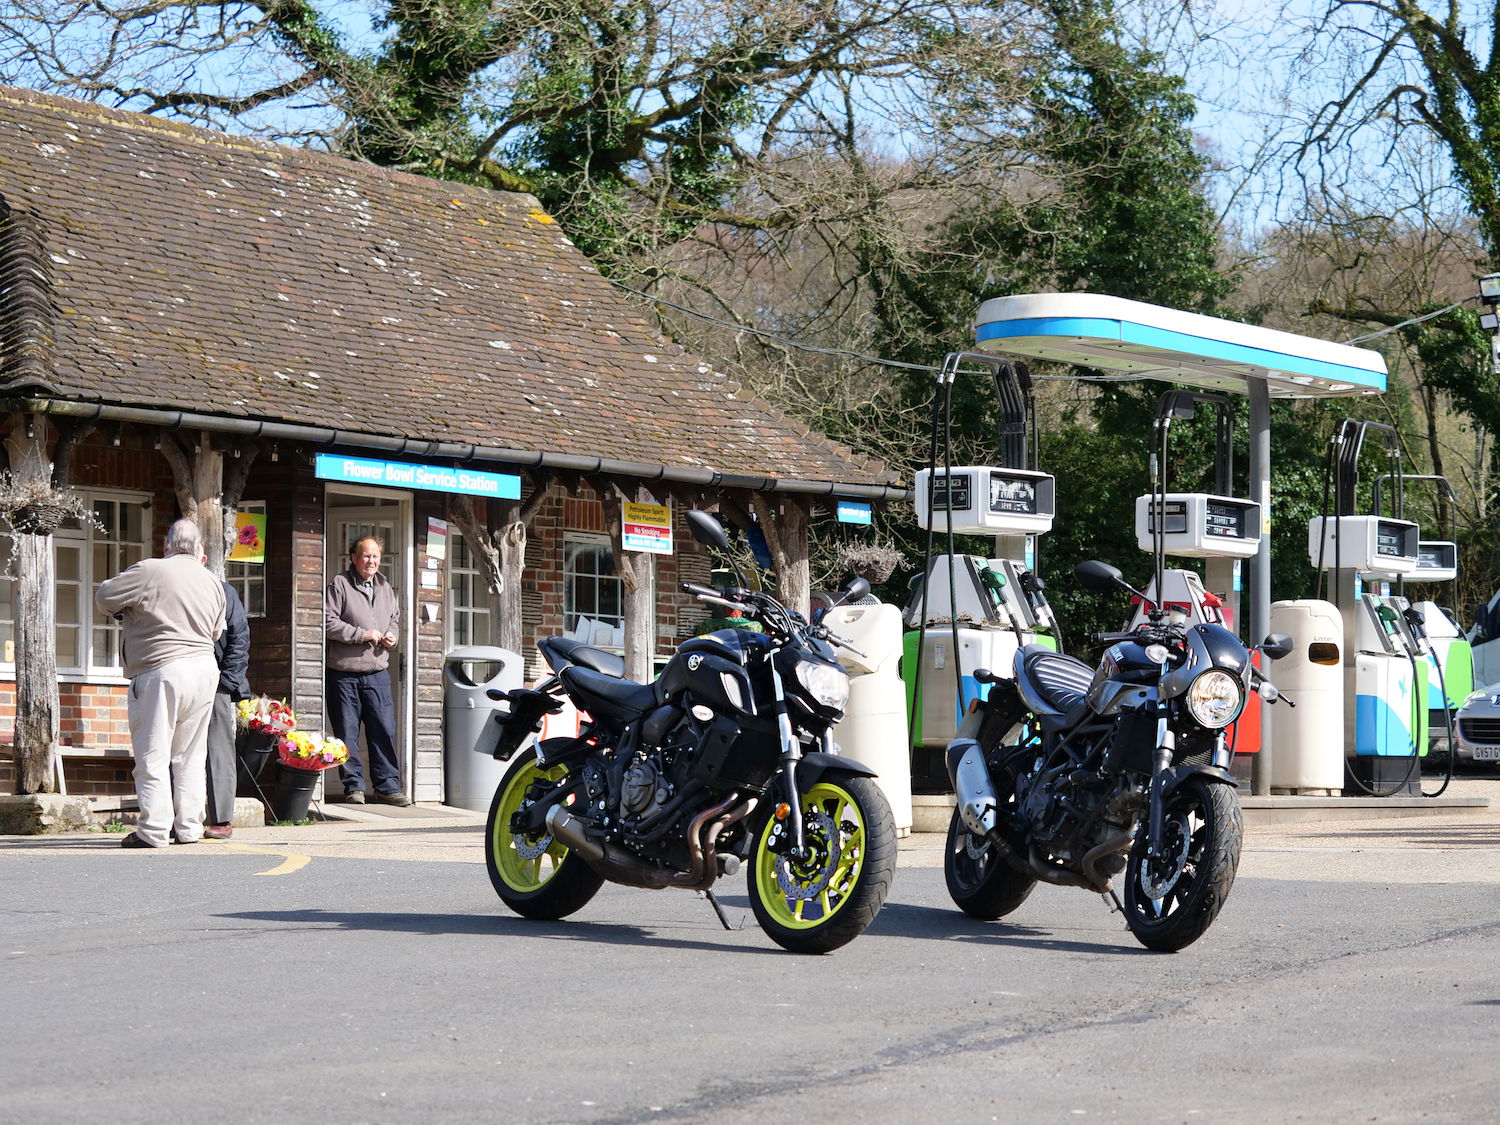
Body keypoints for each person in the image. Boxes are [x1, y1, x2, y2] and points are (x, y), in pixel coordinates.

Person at [95, 518, 226, 848]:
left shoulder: (150, 569)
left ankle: (153, 830)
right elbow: (216, 632)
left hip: (161, 668)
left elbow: (104, 596)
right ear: (198, 549)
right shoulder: (213, 581)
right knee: (191, 756)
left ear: (167, 545)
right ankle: (190, 828)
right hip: (204, 669)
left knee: (152, 755)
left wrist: (130, 609)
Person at [324, 536, 410, 805]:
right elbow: (327, 622)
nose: (371, 561)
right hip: (344, 673)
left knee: (383, 729)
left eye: (375, 556)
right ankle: (354, 787)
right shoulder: (340, 584)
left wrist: (392, 635)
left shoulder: (385, 587)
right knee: (347, 732)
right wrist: (362, 634)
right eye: (365, 556)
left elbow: (394, 619)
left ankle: (387, 786)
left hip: (377, 671)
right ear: (353, 558)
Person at [203, 580, 250, 839]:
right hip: (174, 678)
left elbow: (239, 636)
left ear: (203, 561)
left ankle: (221, 819)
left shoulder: (222, 591)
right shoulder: (163, 583)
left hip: (215, 680)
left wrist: (227, 681)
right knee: (174, 750)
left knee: (218, 750)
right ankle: (175, 819)